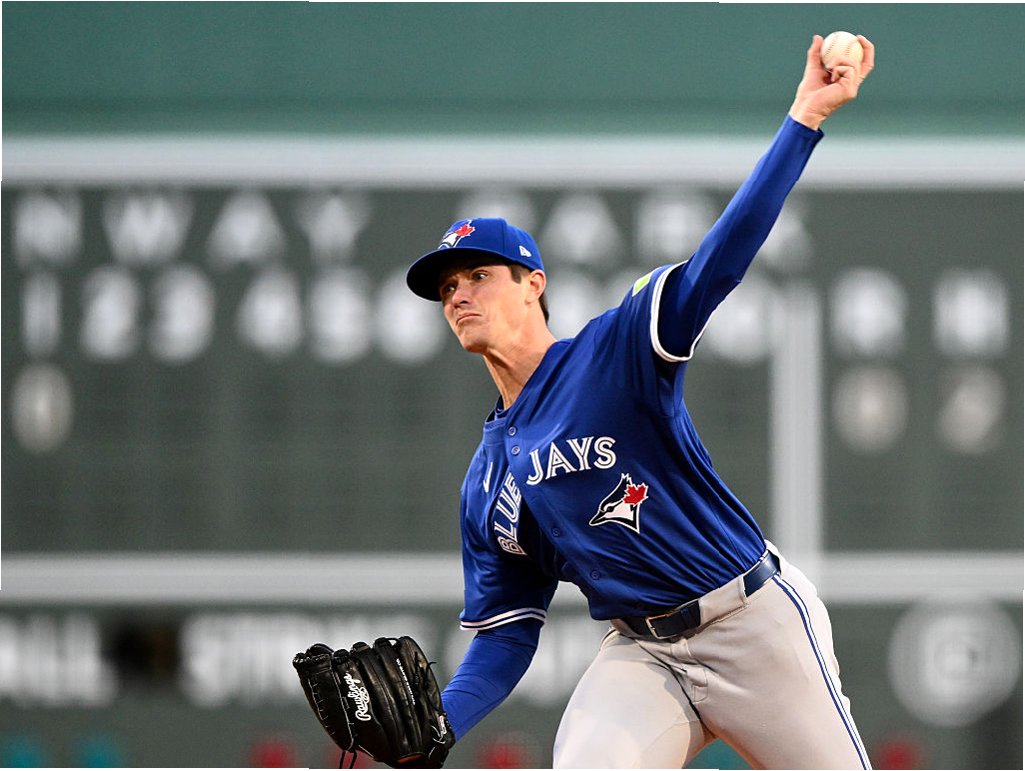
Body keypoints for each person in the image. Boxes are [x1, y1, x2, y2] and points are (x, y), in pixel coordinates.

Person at [404, 35, 875, 769]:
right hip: (644, 654)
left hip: (750, 622)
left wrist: (803, 119)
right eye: (447, 288)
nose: (459, 294)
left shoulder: (615, 351)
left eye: (479, 275)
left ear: (533, 284)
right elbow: (505, 633)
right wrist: (436, 728)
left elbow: (720, 261)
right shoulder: (487, 482)